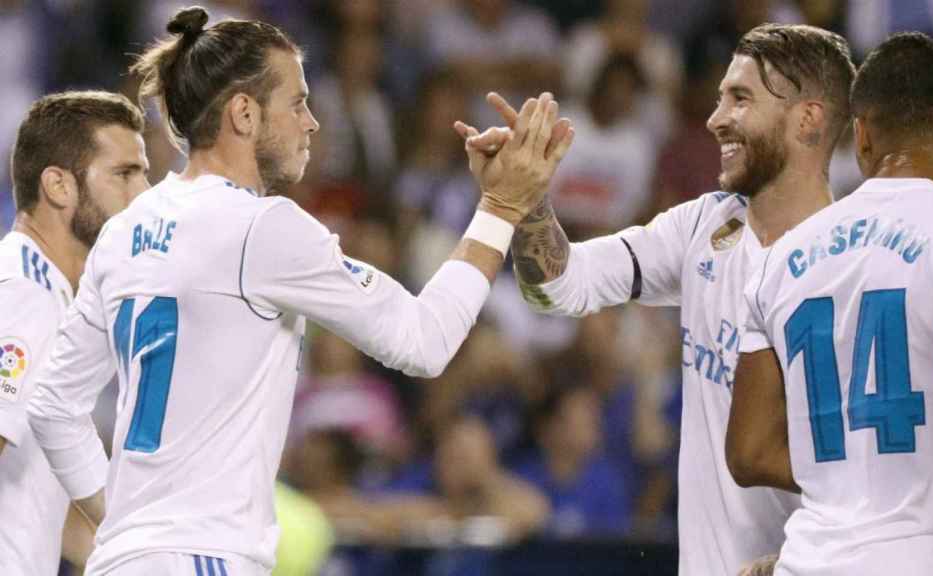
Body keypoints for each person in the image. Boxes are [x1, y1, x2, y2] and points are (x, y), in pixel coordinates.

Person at [24, 7, 573, 575]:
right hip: (204, 559)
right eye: (297, 101)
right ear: (244, 112)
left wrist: (122, 522)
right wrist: (500, 208)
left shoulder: (124, 232)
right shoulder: (263, 227)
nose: (311, 121)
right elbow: (423, 340)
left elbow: (52, 406)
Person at [465, 23, 856, 575]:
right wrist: (526, 201)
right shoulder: (703, 226)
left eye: (740, 98)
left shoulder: (857, 267)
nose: (715, 118)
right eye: (721, 97)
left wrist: (807, 560)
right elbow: (558, 285)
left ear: (808, 118)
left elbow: (883, 466)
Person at [727, 32, 933, 576]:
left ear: (860, 137)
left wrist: (858, 472)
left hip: (807, 562)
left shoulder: (778, 257)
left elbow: (748, 450)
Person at [0, 91, 149, 574]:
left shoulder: (49, 291)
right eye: (125, 174)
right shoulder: (27, 294)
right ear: (59, 186)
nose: (144, 192)